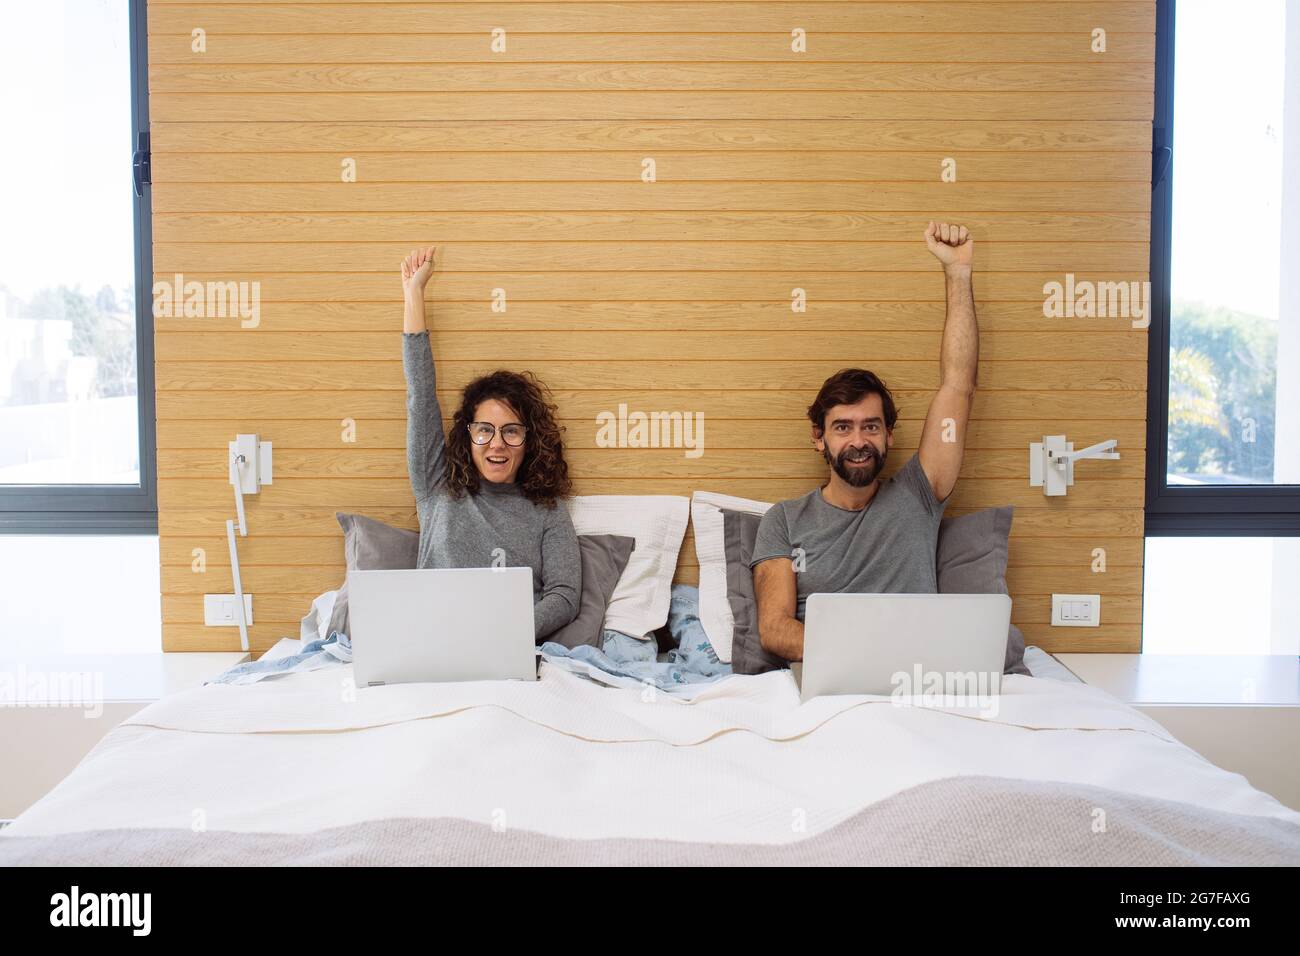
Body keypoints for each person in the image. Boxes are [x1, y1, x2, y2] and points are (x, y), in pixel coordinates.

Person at [749, 222, 978, 667]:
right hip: (833, 678)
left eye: (871, 427)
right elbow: (775, 630)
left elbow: (958, 384)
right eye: (843, 427)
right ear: (819, 438)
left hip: (918, 679)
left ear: (889, 434)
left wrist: (958, 273)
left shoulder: (920, 492)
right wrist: (869, 657)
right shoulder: (784, 520)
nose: (859, 441)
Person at [400, 246, 581, 640]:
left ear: (529, 439)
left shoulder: (546, 510)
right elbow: (420, 397)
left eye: (511, 431)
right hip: (434, 641)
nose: (496, 444)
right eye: (485, 430)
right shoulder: (436, 486)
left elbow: (565, 595)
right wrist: (414, 294)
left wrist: (509, 631)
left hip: (507, 645)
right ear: (469, 435)